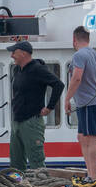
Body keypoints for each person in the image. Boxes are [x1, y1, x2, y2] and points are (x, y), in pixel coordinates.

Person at [8, 41, 64, 171]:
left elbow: (58, 85)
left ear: (23, 53)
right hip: (17, 122)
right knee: (15, 163)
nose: (11, 55)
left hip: (31, 122)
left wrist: (49, 107)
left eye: (14, 52)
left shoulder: (37, 69)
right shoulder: (17, 70)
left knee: (36, 161)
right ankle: (18, 186)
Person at [61, 27, 96, 179]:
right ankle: (90, 173)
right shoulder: (95, 54)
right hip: (93, 102)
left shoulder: (79, 55)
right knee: (82, 136)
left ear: (74, 39)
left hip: (89, 103)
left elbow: (77, 78)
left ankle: (94, 177)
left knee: (91, 138)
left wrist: (67, 99)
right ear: (88, 39)